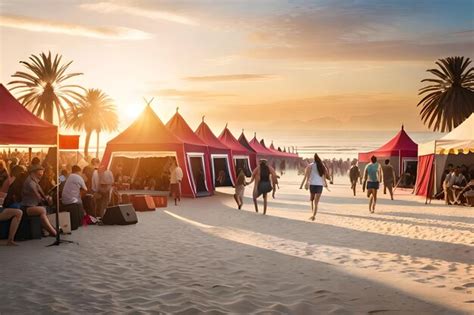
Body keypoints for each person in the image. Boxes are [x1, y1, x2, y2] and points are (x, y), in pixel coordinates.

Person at [21, 164, 57, 237]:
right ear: (33, 173)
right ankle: (53, 231)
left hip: (31, 206)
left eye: (41, 174)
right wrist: (46, 199)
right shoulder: (31, 183)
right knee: (42, 210)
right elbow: (38, 197)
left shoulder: (34, 181)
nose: (40, 176)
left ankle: (52, 231)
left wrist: (46, 197)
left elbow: (41, 195)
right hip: (26, 207)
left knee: (43, 212)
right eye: (39, 174)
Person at [0, 165, 27, 246]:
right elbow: (1, 198)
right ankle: (10, 239)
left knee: (17, 210)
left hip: (3, 206)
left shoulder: (13, 181)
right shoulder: (9, 181)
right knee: (18, 212)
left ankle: (10, 239)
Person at [300, 153, 328, 221]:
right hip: (319, 185)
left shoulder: (310, 166)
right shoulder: (322, 166)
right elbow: (324, 177)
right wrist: (325, 184)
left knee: (312, 199)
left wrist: (306, 184)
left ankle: (312, 213)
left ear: (314, 159)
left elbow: (307, 176)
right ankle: (314, 215)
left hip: (312, 185)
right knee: (316, 202)